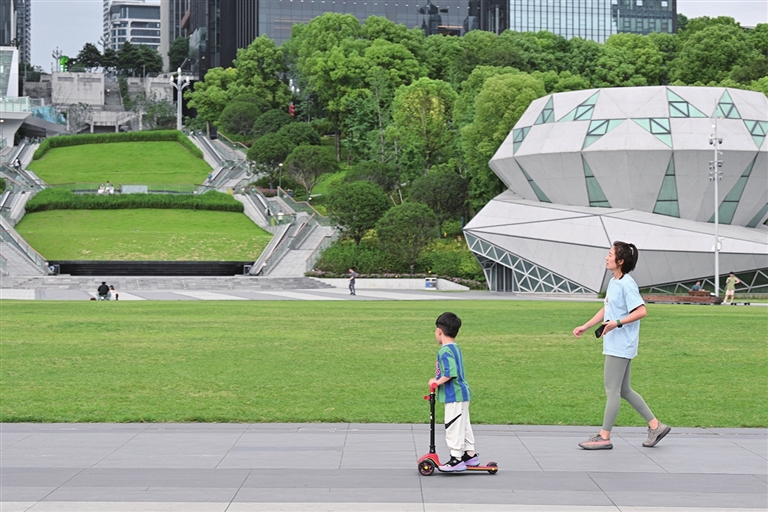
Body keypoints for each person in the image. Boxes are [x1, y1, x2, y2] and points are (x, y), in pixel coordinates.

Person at [572, 241, 670, 450]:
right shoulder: (615, 282)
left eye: (610, 254)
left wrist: (617, 323)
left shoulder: (627, 284)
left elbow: (641, 311)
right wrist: (587, 326)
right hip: (617, 344)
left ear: (620, 261)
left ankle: (604, 437)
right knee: (624, 390)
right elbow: (607, 308)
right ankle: (656, 426)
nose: (606, 257)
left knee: (612, 390)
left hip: (621, 345)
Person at [428, 312, 478, 472]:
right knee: (464, 425)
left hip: (453, 395)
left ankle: (456, 458)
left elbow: (450, 372)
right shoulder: (455, 348)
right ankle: (470, 454)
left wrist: (436, 382)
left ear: (439, 331)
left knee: (453, 425)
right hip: (462, 393)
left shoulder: (444, 351)